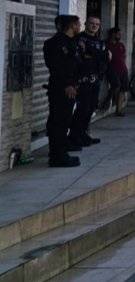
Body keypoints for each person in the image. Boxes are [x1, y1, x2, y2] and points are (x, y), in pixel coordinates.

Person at [44, 15, 84, 168]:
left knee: (64, 120)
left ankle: (60, 150)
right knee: (59, 121)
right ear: (73, 26)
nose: (80, 27)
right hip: (61, 88)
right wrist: (67, 84)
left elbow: (76, 64)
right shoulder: (56, 44)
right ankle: (57, 155)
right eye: (78, 24)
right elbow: (57, 68)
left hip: (71, 86)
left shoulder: (73, 43)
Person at [69, 17, 111, 146]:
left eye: (97, 24)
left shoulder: (99, 41)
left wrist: (95, 53)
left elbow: (107, 56)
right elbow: (84, 56)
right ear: (86, 24)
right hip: (84, 79)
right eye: (92, 23)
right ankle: (75, 137)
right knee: (83, 108)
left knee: (91, 108)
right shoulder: (80, 39)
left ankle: (84, 135)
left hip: (96, 79)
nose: (94, 26)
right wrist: (99, 54)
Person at [102, 27, 128, 117]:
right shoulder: (105, 44)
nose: (120, 36)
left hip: (123, 70)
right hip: (112, 69)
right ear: (113, 34)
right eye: (118, 34)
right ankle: (108, 99)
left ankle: (119, 110)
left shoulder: (121, 45)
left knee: (123, 89)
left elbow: (124, 56)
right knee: (116, 85)